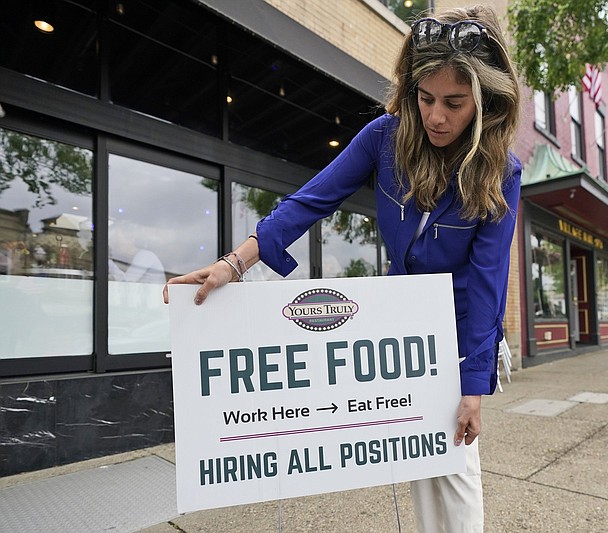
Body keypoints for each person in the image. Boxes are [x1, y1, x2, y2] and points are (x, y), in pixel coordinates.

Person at [164, 5, 521, 531]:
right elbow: (311, 200)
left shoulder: (501, 170)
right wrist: (233, 264)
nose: (435, 116)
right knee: (420, 457)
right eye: (425, 98)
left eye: (454, 103)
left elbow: (489, 282)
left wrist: (472, 387)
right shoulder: (384, 137)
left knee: (457, 462)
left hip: (462, 328)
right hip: (405, 324)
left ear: (485, 103)